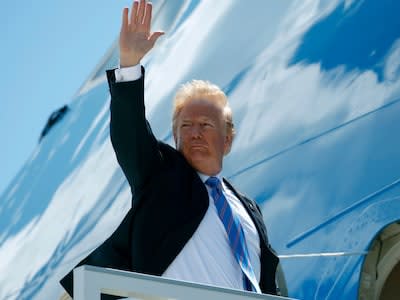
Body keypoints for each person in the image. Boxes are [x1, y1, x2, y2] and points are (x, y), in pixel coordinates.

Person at [59, 1, 279, 299]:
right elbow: (130, 135)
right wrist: (129, 65)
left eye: (206, 124)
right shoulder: (162, 176)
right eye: (185, 126)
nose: (195, 133)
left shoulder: (249, 210)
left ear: (227, 139)